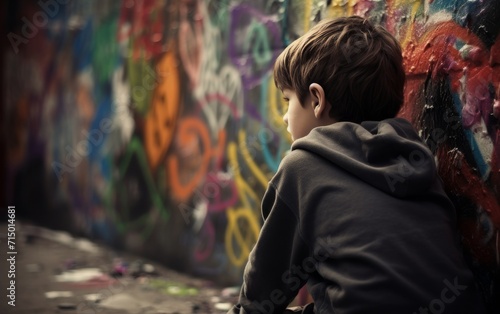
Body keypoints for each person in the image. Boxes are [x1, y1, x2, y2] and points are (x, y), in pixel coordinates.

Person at [227, 16, 488, 314]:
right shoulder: (416, 158)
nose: (285, 117)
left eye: (288, 101)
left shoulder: (303, 166)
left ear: (316, 100)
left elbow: (262, 295)